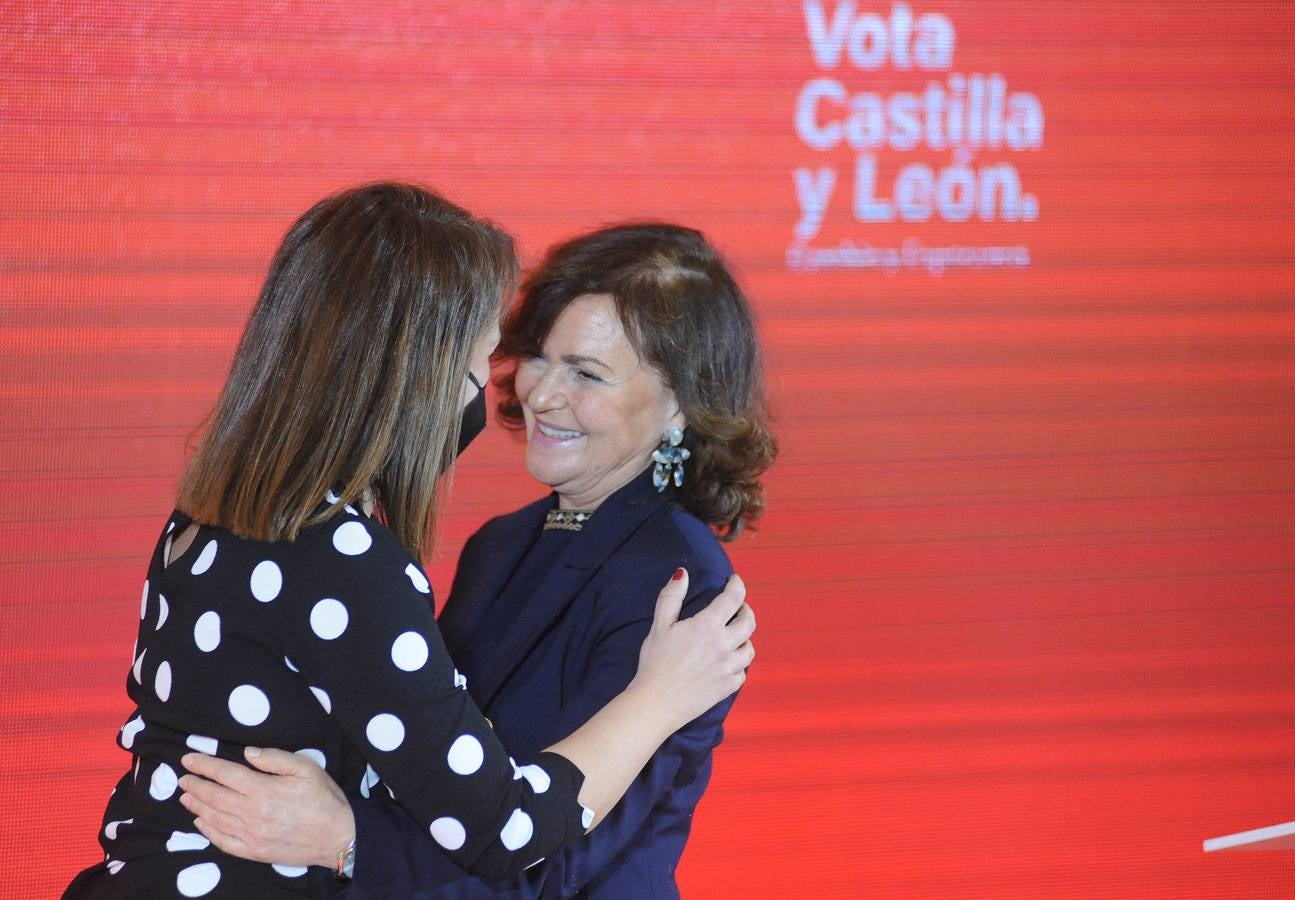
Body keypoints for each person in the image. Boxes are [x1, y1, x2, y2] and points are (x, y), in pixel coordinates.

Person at [64, 186, 755, 899]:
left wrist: (350, 841)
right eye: (531, 358)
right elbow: (448, 787)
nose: (536, 393)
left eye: (584, 372)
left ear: (680, 402)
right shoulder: (478, 546)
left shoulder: (679, 585)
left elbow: (551, 858)